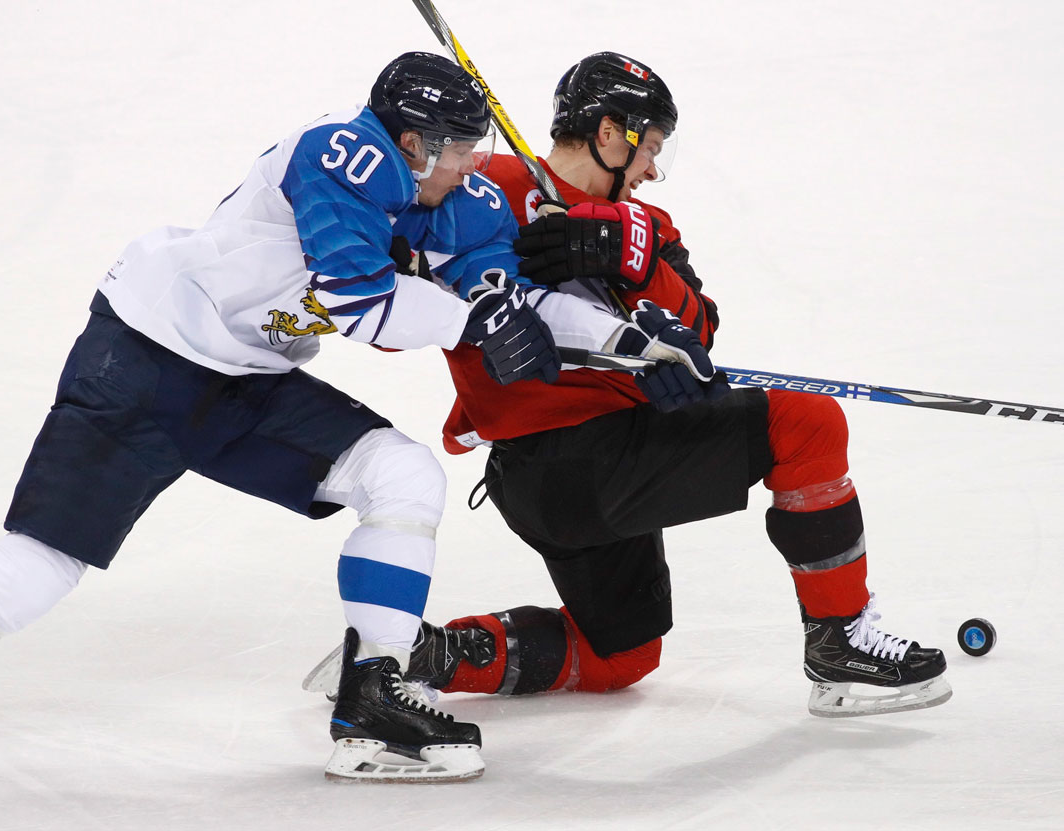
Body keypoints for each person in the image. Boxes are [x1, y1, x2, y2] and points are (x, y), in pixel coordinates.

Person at [0, 51, 695, 789]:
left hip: (250, 382)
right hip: (146, 361)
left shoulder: (452, 196)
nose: (472, 165)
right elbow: (363, 301)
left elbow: (510, 299)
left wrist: (628, 339)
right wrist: (473, 318)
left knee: (401, 476)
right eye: (455, 150)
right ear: (411, 142)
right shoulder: (339, 153)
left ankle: (368, 709)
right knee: (35, 569)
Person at [305, 51, 952, 719]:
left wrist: (628, 249)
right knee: (808, 421)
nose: (650, 171)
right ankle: (842, 643)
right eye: (652, 148)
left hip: (572, 470)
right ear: (610, 133)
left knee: (619, 657)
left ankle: (416, 653)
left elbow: (701, 329)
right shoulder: (479, 186)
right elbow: (379, 296)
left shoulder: (646, 224)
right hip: (571, 461)